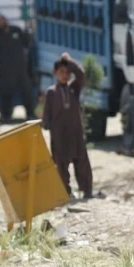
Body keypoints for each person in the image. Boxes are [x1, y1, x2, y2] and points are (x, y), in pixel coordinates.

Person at [41, 53, 94, 199]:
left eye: (67, 73)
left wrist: (69, 62)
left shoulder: (73, 88)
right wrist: (47, 125)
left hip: (75, 132)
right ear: (55, 73)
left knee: (82, 162)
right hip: (59, 135)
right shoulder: (51, 92)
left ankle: (87, 190)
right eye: (61, 72)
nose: (65, 76)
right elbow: (47, 114)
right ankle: (65, 192)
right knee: (61, 165)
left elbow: (81, 74)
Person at [0, 15, 36, 123]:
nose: (1, 23)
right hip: (5, 70)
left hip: (19, 68)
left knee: (26, 91)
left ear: (6, 20)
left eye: (2, 20)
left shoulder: (16, 31)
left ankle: (30, 113)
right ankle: (6, 115)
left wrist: (30, 31)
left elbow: (26, 42)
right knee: (6, 93)